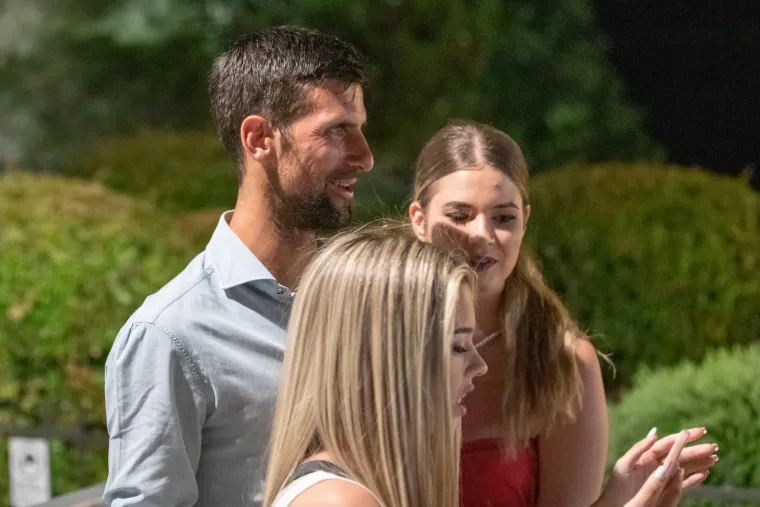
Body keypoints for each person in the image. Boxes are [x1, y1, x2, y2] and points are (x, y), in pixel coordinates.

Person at [103, 26, 373, 507]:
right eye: (336, 131)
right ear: (259, 138)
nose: (365, 158)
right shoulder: (170, 335)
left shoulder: (365, 303)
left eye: (360, 129)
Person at [262, 228, 698, 507]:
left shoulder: (356, 489)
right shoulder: (340, 501)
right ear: (386, 357)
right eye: (457, 346)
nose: (479, 364)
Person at [407, 120, 718, 507]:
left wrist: (620, 496)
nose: (482, 234)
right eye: (459, 216)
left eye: (503, 218)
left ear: (525, 220)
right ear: (419, 219)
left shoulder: (558, 361)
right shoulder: (375, 340)